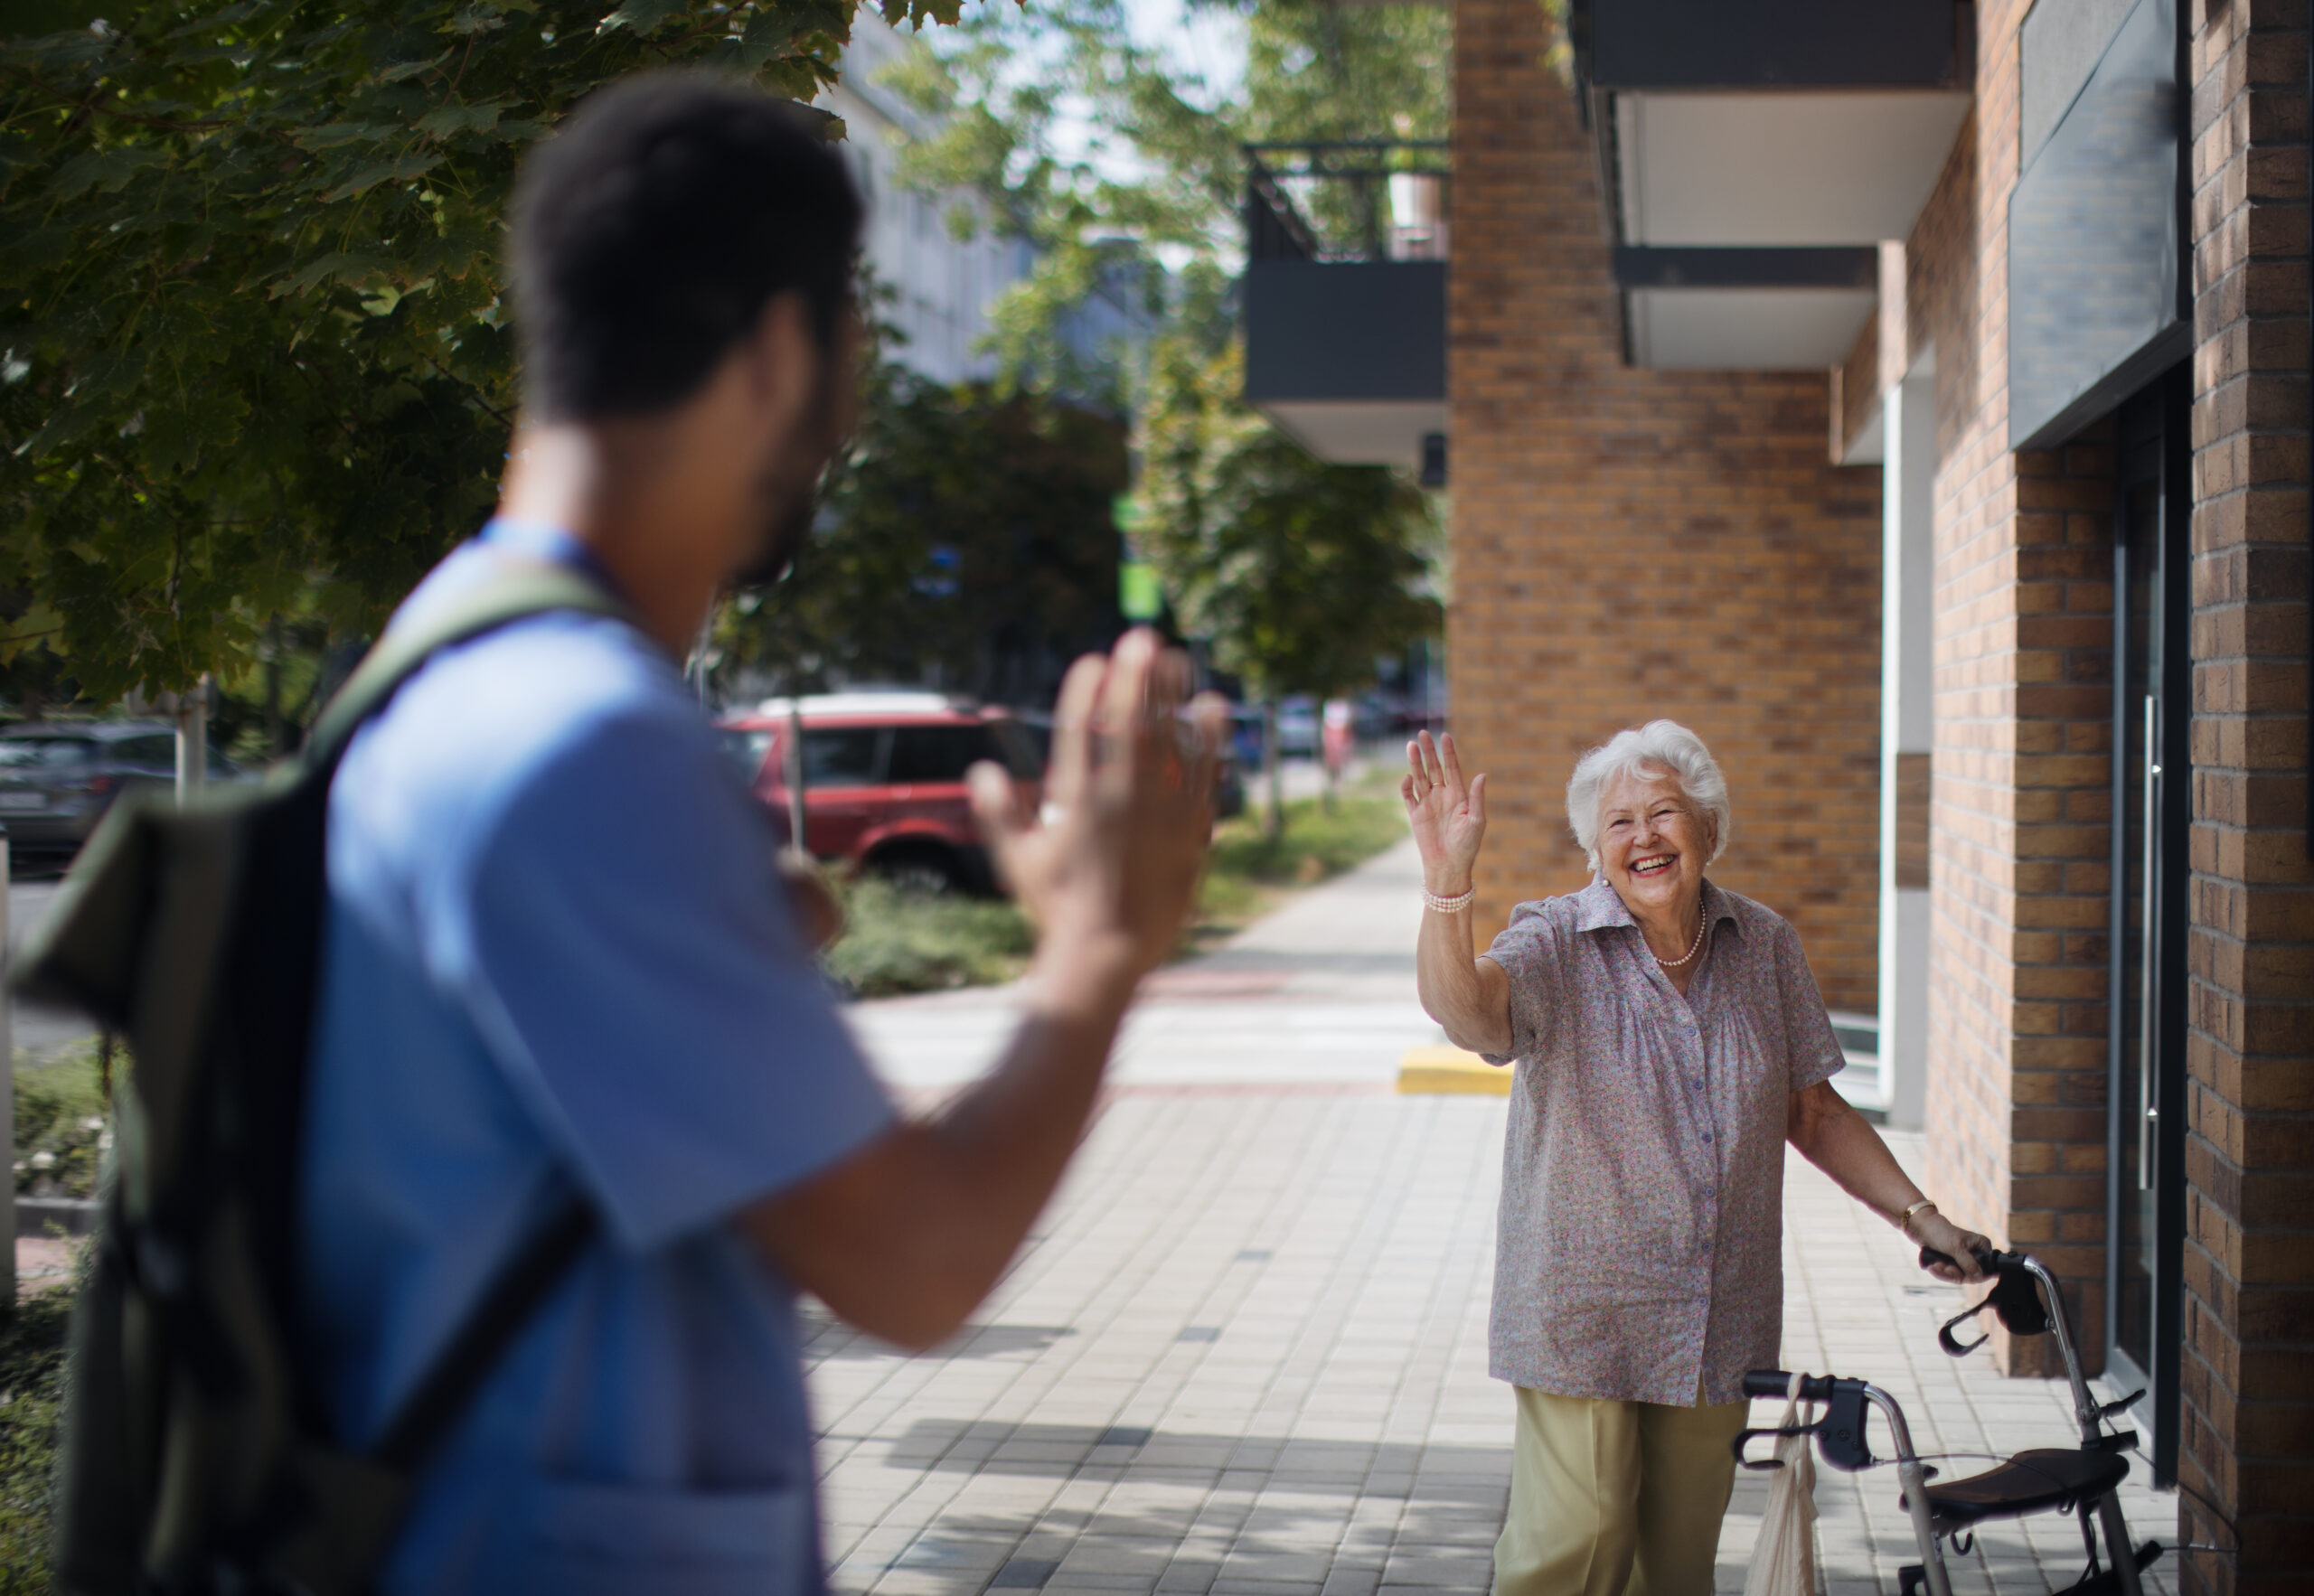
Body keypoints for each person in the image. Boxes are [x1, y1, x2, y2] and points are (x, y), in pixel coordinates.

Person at [296, 73, 1222, 1594]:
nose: (849, 419)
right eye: (855, 350)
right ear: (782, 348)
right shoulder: (585, 745)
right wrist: (1099, 949)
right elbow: (920, 1265)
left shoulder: (451, 653)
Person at [1402, 721, 1989, 1596]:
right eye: (1619, 822)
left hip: (1714, 1311)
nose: (1643, 836)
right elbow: (1470, 1015)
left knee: (1676, 1564)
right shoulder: (1556, 941)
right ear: (1596, 850)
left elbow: (1812, 1109)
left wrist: (1919, 1214)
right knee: (1577, 1543)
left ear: (1708, 826)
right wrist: (1449, 883)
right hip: (1583, 1311)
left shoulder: (1763, 944)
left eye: (1664, 812)